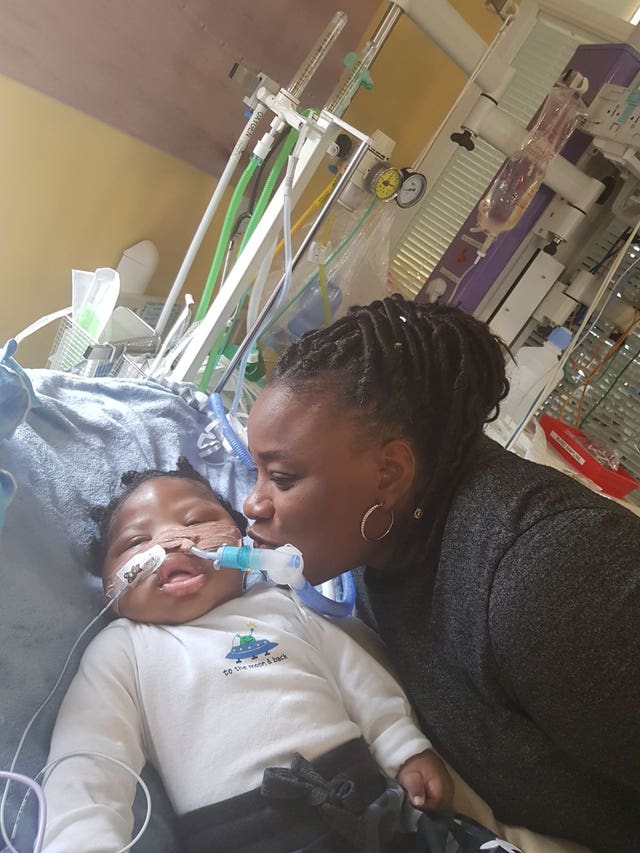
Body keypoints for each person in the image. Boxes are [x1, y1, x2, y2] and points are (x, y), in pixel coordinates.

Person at [243, 293, 640, 853]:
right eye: (254, 470)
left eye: (280, 478)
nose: (251, 503)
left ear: (390, 472)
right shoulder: (383, 542)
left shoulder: (548, 573)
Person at [42, 457, 455, 853]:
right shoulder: (123, 649)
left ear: (243, 546)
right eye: (136, 542)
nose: (172, 542)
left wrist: (403, 747)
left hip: (369, 799)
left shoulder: (281, 605)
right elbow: (89, 761)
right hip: (244, 836)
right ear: (110, 590)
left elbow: (359, 679)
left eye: (197, 521)